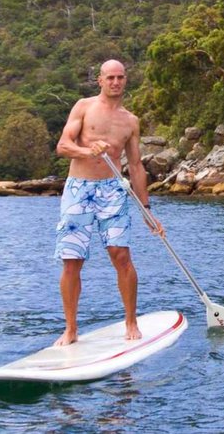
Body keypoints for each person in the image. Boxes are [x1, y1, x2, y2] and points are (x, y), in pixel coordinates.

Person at [53, 59, 163, 346]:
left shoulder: (130, 121)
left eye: (120, 77)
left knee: (121, 255)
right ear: (100, 80)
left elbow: (136, 166)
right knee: (72, 260)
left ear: (125, 80)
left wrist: (146, 210)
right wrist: (87, 150)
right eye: (110, 77)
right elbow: (63, 146)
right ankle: (71, 329)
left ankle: (131, 322)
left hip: (113, 190)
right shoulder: (84, 107)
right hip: (78, 189)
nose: (115, 82)